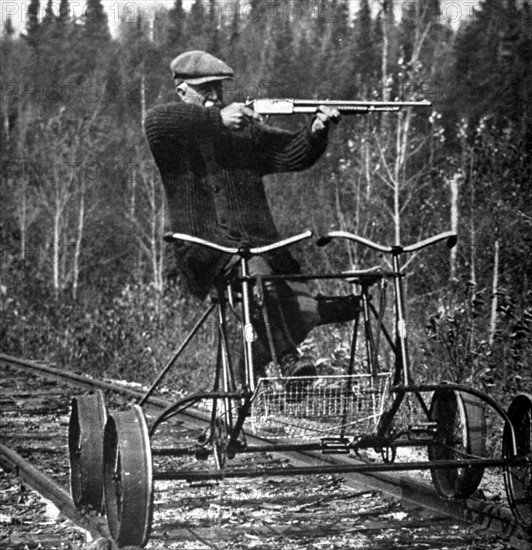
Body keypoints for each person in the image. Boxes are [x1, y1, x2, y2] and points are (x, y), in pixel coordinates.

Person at [144, 50, 358, 382]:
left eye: (219, 88)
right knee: (258, 277)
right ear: (182, 91)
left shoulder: (244, 134)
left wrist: (316, 130)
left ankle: (253, 363)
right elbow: (155, 121)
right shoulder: (172, 137)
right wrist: (218, 121)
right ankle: (287, 358)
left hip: (257, 247)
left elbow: (291, 153)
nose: (215, 96)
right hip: (206, 249)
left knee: (300, 303)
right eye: (205, 89)